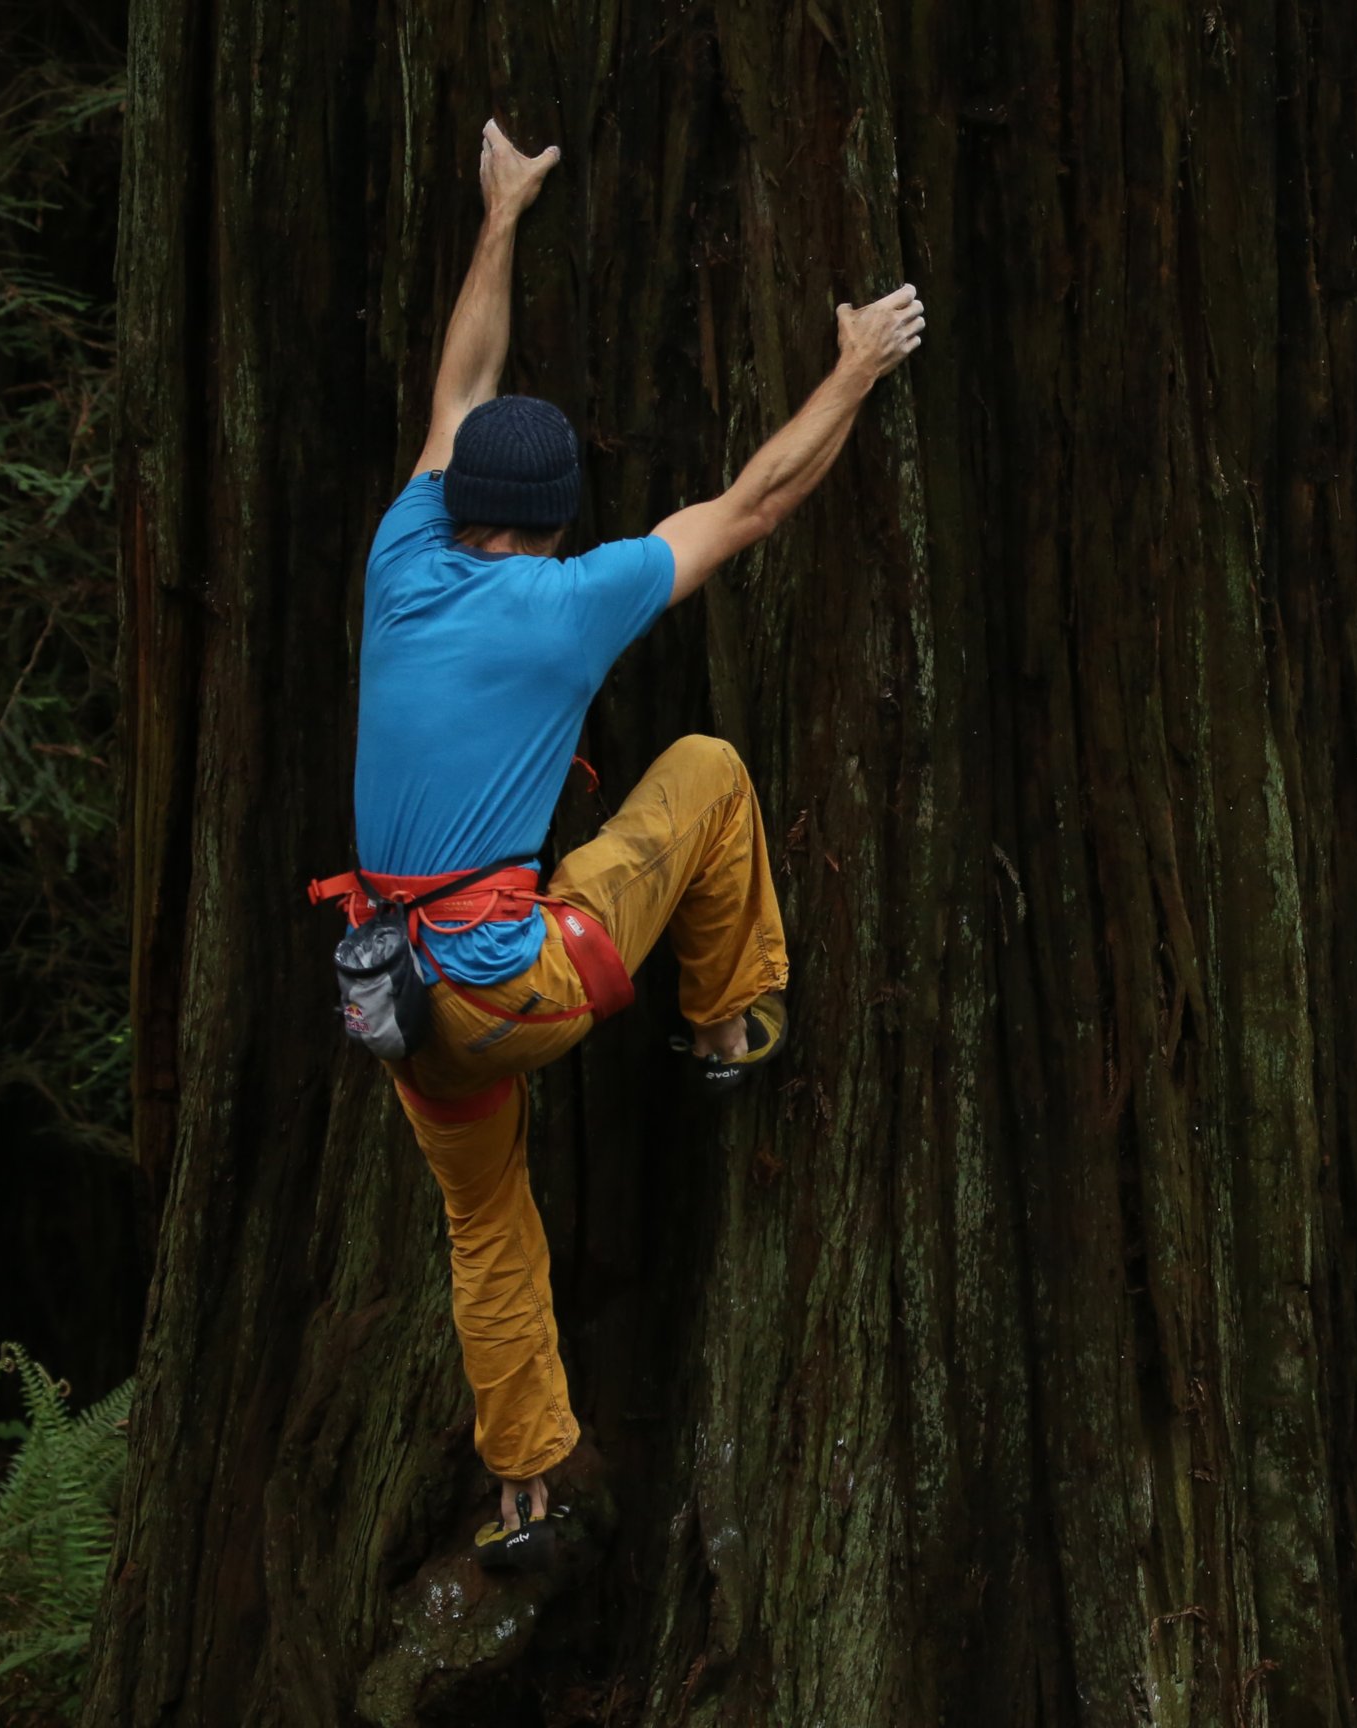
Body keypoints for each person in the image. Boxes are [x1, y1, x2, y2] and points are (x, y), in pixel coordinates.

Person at [328, 117, 924, 1572]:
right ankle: (732, 1025)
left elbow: (457, 384)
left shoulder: (402, 555)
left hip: (394, 1004)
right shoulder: (563, 604)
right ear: (551, 524)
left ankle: (527, 1487)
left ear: (460, 496)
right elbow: (758, 501)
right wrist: (853, 366)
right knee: (708, 770)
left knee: (488, 1227)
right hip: (516, 984)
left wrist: (504, 214)